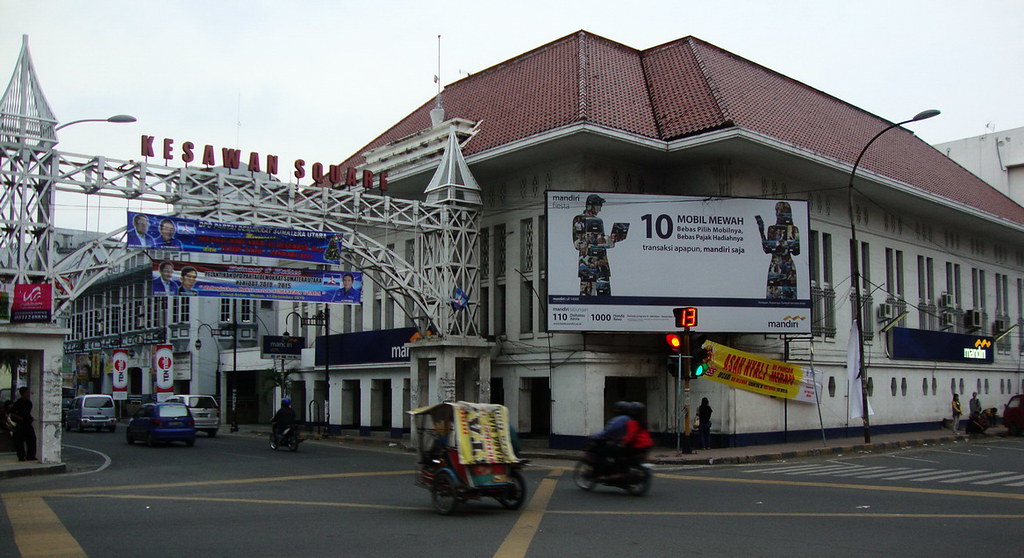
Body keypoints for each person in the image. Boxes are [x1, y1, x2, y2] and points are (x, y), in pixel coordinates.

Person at [755, 201, 801, 300]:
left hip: (785, 267)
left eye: (782, 210)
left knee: (790, 297)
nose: (779, 213)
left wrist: (778, 245)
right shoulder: (773, 228)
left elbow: (796, 251)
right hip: (778, 266)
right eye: (778, 210)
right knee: (774, 298)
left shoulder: (792, 229)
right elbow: (767, 249)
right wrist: (761, 231)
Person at [590, 400, 633, 477]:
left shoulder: (620, 419)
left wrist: (595, 436)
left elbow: (609, 430)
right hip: (625, 444)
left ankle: (600, 472)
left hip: (619, 443)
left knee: (600, 452)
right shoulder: (629, 419)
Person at [10, 386, 37, 461]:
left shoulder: (29, 403)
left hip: (27, 424)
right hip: (20, 424)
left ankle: (30, 456)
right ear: (23, 393)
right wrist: (20, 418)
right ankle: (21, 456)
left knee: (32, 439)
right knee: (19, 441)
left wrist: (30, 418)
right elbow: (12, 413)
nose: (28, 394)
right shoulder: (18, 403)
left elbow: (27, 413)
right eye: (27, 392)